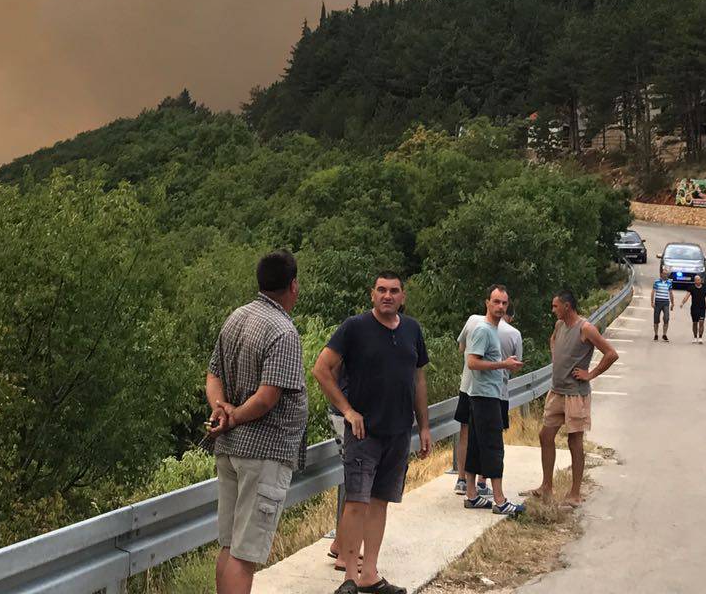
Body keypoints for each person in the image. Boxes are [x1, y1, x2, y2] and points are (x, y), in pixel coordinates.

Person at [314, 272, 431, 594]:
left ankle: (370, 575)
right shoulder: (355, 328)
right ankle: (350, 577)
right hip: (364, 432)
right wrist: (348, 410)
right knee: (357, 502)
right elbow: (321, 369)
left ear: (403, 296)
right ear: (372, 294)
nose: (387, 296)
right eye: (381, 290)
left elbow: (418, 380)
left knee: (380, 502)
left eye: (394, 291)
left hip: (399, 431)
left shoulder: (412, 329)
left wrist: (423, 426)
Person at [206, 251, 308, 594]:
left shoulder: (237, 317)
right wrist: (232, 415)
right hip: (263, 454)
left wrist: (220, 410)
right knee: (245, 554)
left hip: (230, 449)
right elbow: (267, 398)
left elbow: (212, 374)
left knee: (229, 545)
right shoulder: (283, 331)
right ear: (292, 285)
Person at [526, 290, 617, 506]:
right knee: (545, 435)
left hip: (576, 394)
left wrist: (590, 374)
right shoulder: (559, 326)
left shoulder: (585, 328)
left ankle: (575, 493)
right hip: (557, 391)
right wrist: (559, 361)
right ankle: (546, 486)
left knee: (574, 441)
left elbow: (611, 353)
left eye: (555, 306)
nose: (553, 310)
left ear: (567, 306)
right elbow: (554, 341)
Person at [458, 286, 524, 516]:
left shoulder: (493, 330)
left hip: (484, 395)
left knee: (476, 444)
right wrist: (503, 364)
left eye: (504, 303)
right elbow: (472, 362)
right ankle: (500, 500)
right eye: (496, 302)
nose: (500, 307)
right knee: (494, 447)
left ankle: (472, 495)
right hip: (485, 396)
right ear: (487, 302)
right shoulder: (483, 330)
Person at [681, 273, 706, 342]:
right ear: (694, 281)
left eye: (699, 280)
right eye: (696, 280)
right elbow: (686, 296)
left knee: (701, 322)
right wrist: (682, 303)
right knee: (695, 323)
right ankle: (695, 337)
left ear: (700, 280)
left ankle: (700, 337)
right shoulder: (691, 288)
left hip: (702, 308)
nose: (698, 281)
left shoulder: (704, 288)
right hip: (694, 308)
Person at [651, 267, 674, 342]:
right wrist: (652, 302)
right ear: (661, 274)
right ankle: (656, 334)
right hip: (658, 302)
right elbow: (653, 292)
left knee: (666, 318)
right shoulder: (656, 282)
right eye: (664, 274)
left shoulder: (669, 282)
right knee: (656, 319)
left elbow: (670, 293)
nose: (665, 275)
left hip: (666, 302)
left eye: (666, 274)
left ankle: (664, 334)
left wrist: (672, 303)